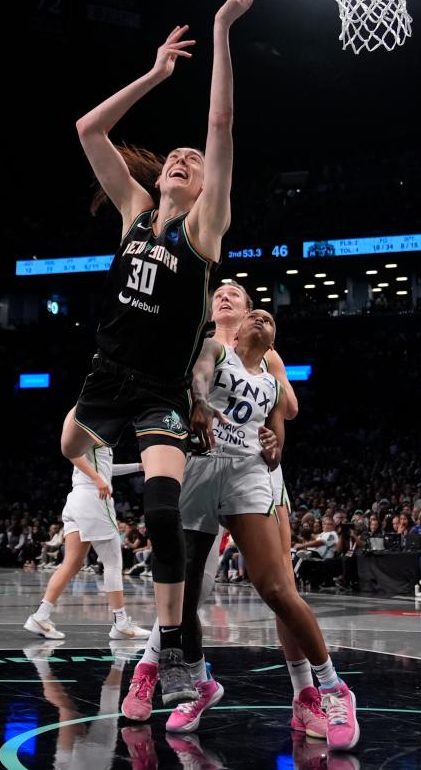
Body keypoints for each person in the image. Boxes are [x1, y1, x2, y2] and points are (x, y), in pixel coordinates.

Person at [58, 0, 256, 705]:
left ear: (206, 186)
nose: (182, 155)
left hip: (159, 392)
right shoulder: (135, 209)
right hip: (107, 373)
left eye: (191, 158)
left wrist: (224, 30)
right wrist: (156, 72)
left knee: (164, 510)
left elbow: (222, 126)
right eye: (174, 153)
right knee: (68, 446)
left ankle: (174, 649)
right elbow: (88, 130)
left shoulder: (204, 232)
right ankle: (170, 646)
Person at [127, 310, 359, 750]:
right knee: (186, 593)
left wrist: (274, 445)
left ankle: (333, 689)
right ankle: (195, 681)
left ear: (273, 339)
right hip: (201, 466)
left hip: (247, 475)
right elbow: (197, 373)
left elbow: (277, 444)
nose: (259, 317)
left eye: (268, 316)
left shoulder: (273, 380)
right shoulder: (216, 348)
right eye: (253, 312)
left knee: (275, 588)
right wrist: (199, 402)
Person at [24, 442, 149, 642]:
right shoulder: (93, 426)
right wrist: (97, 478)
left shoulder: (100, 434)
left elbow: (106, 470)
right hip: (93, 498)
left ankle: (40, 616)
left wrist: (138, 467)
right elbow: (72, 452)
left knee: (71, 564)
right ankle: (121, 623)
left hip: (77, 500)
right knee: (113, 563)